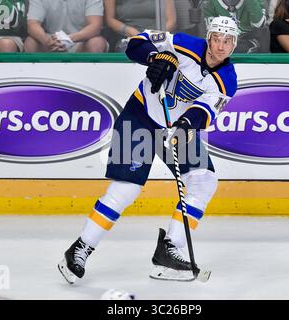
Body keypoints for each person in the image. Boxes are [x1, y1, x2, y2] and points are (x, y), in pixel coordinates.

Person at [58, 16, 238, 283]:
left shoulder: (227, 80)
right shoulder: (183, 44)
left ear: (234, 44)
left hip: (174, 128)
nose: (221, 46)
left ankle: (170, 250)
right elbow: (135, 44)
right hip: (139, 117)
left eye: (228, 41)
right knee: (126, 189)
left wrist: (186, 125)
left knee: (203, 181)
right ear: (209, 37)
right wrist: (156, 59)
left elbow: (205, 111)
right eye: (217, 39)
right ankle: (79, 249)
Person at [24, 0, 107, 53]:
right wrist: (47, 40)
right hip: (50, 40)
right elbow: (32, 24)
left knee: (96, 43)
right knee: (30, 43)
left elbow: (95, 26)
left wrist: (68, 39)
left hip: (81, 41)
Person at [103, 0, 176, 52]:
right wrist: (133, 32)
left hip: (159, 37)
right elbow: (110, 20)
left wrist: (155, 36)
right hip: (129, 38)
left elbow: (171, 21)